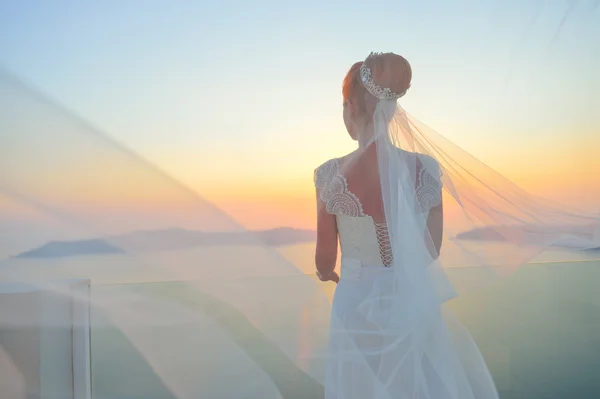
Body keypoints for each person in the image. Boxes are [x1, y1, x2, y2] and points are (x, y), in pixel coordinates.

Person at [313, 52, 500, 399]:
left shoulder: (330, 175)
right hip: (411, 303)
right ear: (393, 109)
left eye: (343, 105)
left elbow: (324, 259)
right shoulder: (426, 170)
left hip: (355, 305)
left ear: (351, 107)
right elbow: (431, 249)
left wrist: (327, 274)